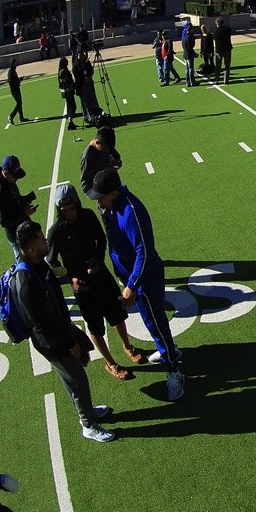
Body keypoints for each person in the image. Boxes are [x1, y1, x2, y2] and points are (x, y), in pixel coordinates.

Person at [10, 220, 117, 442]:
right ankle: (88, 425)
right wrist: (69, 344)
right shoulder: (26, 281)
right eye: (41, 239)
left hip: (59, 332)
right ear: (31, 249)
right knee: (77, 379)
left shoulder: (36, 263)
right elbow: (41, 325)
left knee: (74, 377)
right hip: (53, 343)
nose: (45, 240)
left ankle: (86, 412)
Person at [89, 169, 185, 401]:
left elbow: (145, 251)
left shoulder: (130, 211)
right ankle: (168, 351)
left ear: (113, 192)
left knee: (156, 321)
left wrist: (132, 284)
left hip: (145, 279)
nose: (98, 200)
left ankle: (174, 369)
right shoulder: (114, 207)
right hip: (134, 279)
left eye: (101, 196)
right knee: (150, 320)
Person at [48, 184, 146, 381]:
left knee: (117, 314)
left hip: (100, 275)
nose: (69, 213)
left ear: (77, 204)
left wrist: (98, 261)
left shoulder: (88, 217)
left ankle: (127, 346)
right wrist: (70, 279)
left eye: (71, 208)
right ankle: (110, 362)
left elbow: (101, 240)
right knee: (94, 326)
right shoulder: (56, 232)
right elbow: (52, 262)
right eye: (64, 210)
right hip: (81, 286)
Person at [0, 155, 36, 259]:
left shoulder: (10, 181)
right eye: (15, 176)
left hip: (24, 227)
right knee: (23, 264)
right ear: (6, 173)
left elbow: (15, 198)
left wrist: (26, 199)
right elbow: (4, 221)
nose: (16, 179)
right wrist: (24, 213)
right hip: (15, 235)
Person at [79, 125, 122, 200]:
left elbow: (116, 157)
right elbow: (86, 185)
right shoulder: (87, 157)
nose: (108, 151)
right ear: (97, 142)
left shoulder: (105, 146)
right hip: (102, 194)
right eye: (106, 149)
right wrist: (106, 171)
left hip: (112, 187)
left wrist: (117, 163)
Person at [58, 57, 78, 130]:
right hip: (68, 92)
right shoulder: (63, 72)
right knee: (72, 106)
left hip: (67, 92)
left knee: (71, 106)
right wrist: (74, 85)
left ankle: (71, 122)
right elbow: (67, 82)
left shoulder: (62, 71)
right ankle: (70, 122)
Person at [213, 16, 233, 84]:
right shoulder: (228, 29)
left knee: (218, 66)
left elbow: (214, 39)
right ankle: (226, 80)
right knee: (227, 65)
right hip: (227, 49)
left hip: (219, 50)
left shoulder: (215, 31)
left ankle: (217, 79)